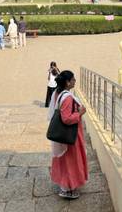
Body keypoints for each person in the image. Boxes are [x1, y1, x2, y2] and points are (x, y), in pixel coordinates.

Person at [48, 71, 88, 199]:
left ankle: (65, 185)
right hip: (69, 134)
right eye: (73, 79)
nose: (75, 81)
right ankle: (68, 189)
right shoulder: (68, 97)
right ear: (67, 82)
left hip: (62, 133)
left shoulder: (57, 93)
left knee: (63, 160)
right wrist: (80, 113)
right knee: (70, 160)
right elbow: (66, 118)